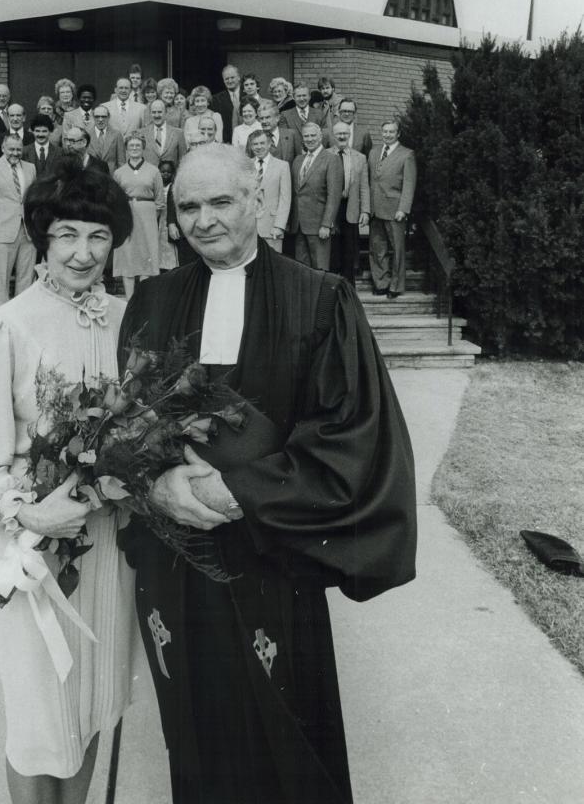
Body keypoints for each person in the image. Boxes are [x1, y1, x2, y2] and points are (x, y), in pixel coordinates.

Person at [118, 144, 417, 804]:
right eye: (188, 206)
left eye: (221, 202)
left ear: (257, 201)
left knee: (283, 737)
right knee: (194, 732)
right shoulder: (153, 300)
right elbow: (127, 421)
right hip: (179, 559)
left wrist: (240, 491)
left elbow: (350, 434)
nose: (203, 220)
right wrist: (156, 483)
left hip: (272, 559)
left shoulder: (321, 299)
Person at [0, 160, 149, 804]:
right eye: (67, 234)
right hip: (31, 554)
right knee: (40, 718)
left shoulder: (129, 320)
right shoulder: (3, 328)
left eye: (97, 236)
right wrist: (33, 515)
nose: (83, 252)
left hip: (108, 551)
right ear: (42, 239)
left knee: (92, 703)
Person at [0, 134, 37, 309]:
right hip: (2, 231)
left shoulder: (30, 168)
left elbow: (31, 198)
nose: (15, 153)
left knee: (26, 276)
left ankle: (21, 312)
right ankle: (1, 313)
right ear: (3, 148)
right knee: (1, 276)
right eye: (11, 149)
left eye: (18, 149)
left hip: (27, 230)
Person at [112, 131, 165, 299]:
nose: (134, 148)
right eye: (131, 146)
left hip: (147, 215)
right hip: (127, 215)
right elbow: (115, 198)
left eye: (137, 146)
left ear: (143, 148)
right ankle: (129, 300)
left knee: (146, 255)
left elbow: (159, 198)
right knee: (127, 253)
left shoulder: (153, 171)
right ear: (126, 149)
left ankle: (142, 299)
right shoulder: (119, 172)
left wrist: (152, 217)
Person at [368, 120, 416, 299]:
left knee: (397, 249)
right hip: (375, 209)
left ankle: (395, 286)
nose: (387, 135)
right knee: (377, 248)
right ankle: (381, 283)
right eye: (385, 132)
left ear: (398, 134)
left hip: (395, 210)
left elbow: (409, 184)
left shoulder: (407, 155)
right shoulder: (373, 153)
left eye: (391, 132)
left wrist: (403, 209)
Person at [290, 122, 342, 270]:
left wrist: (326, 224)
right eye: (306, 136)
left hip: (319, 225)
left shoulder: (332, 159)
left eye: (313, 135)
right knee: (302, 268)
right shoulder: (298, 161)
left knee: (320, 268)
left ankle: (320, 294)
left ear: (320, 137)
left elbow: (334, 195)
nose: (310, 139)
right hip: (299, 225)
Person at [328, 122, 370, 282]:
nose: (342, 136)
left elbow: (364, 187)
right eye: (339, 133)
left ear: (349, 135)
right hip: (331, 209)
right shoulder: (325, 155)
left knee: (349, 252)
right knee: (332, 251)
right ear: (333, 135)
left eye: (345, 133)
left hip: (350, 207)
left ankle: (348, 289)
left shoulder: (360, 158)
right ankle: (331, 287)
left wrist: (365, 210)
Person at [248, 128, 291, 253]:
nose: (259, 147)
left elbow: (285, 199)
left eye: (262, 143)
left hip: (272, 227)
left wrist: (279, 226)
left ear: (269, 144)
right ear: (251, 146)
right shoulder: (246, 166)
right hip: (250, 228)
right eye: (255, 144)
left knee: (273, 266)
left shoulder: (282, 166)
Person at [279, 84, 328, 152]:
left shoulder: (319, 114)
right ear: (293, 97)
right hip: (294, 156)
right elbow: (285, 140)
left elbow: (324, 137)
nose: (302, 99)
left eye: (304, 95)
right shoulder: (285, 115)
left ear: (309, 96)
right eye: (298, 96)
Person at [142, 100, 187, 168]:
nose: (157, 115)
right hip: (149, 176)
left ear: (166, 113)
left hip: (171, 176)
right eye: (154, 112)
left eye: (160, 112)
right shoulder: (142, 133)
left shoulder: (178, 133)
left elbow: (183, 160)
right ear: (150, 114)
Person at [87, 106, 125, 173]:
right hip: (92, 177)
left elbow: (121, 161)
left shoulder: (116, 135)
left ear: (108, 117)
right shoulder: (87, 135)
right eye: (97, 116)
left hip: (111, 177)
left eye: (103, 116)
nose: (100, 119)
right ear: (93, 117)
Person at [157, 159, 179, 271]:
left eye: (168, 172)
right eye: (163, 171)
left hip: (168, 221)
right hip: (158, 221)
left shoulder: (174, 187)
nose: (165, 174)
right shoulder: (156, 187)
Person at [210, 64, 243, 133]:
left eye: (232, 77)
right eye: (227, 79)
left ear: (239, 77)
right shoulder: (216, 99)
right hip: (225, 140)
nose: (230, 81)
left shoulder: (247, 95)